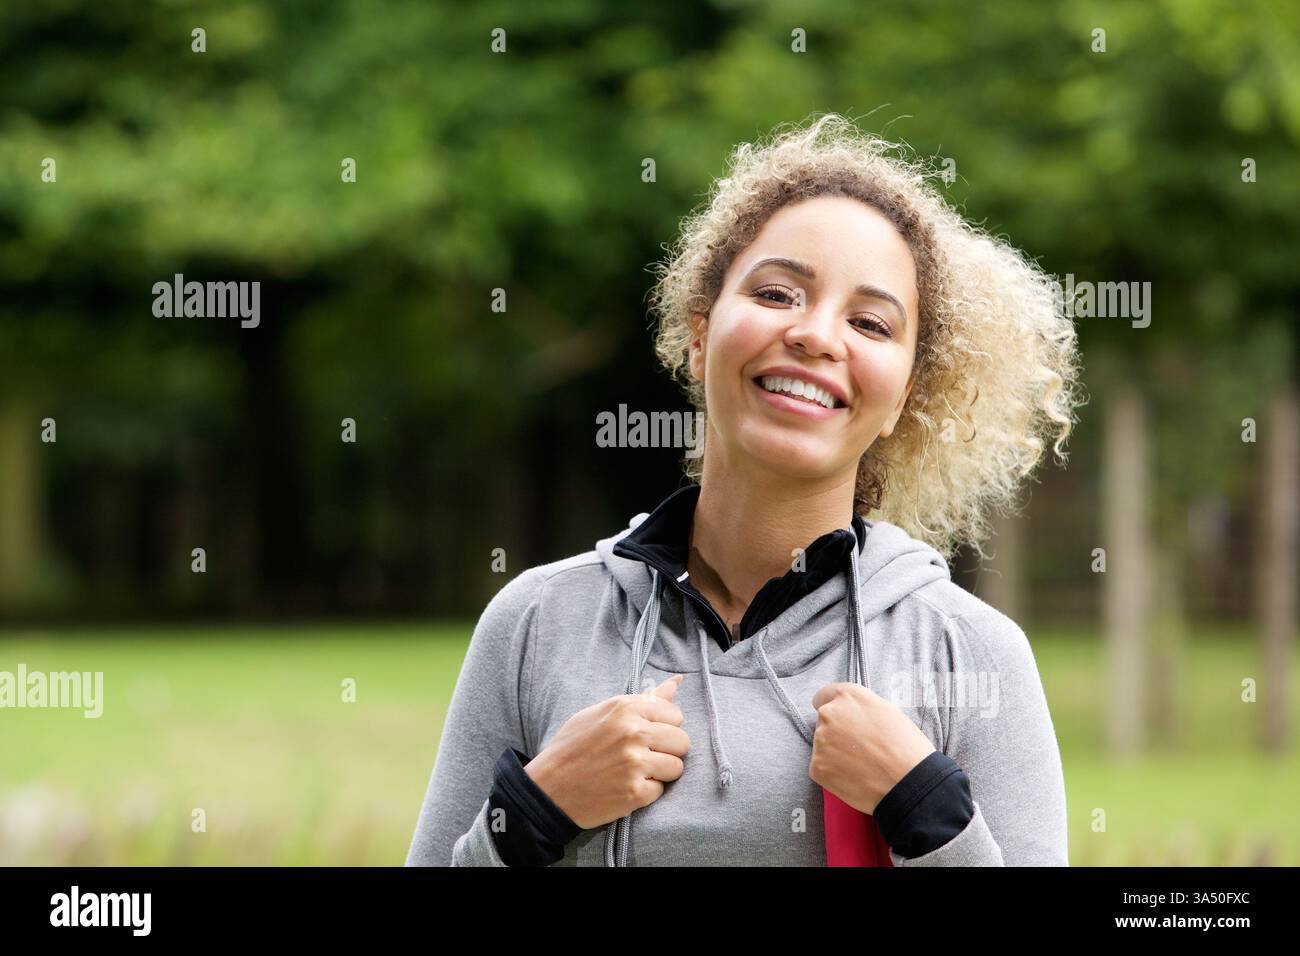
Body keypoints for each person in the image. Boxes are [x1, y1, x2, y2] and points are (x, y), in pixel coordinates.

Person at [405, 113, 1082, 866]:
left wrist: (928, 812)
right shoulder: (535, 623)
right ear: (700, 336)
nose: (817, 335)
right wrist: (530, 816)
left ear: (901, 399)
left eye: (869, 321)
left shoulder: (970, 654)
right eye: (777, 293)